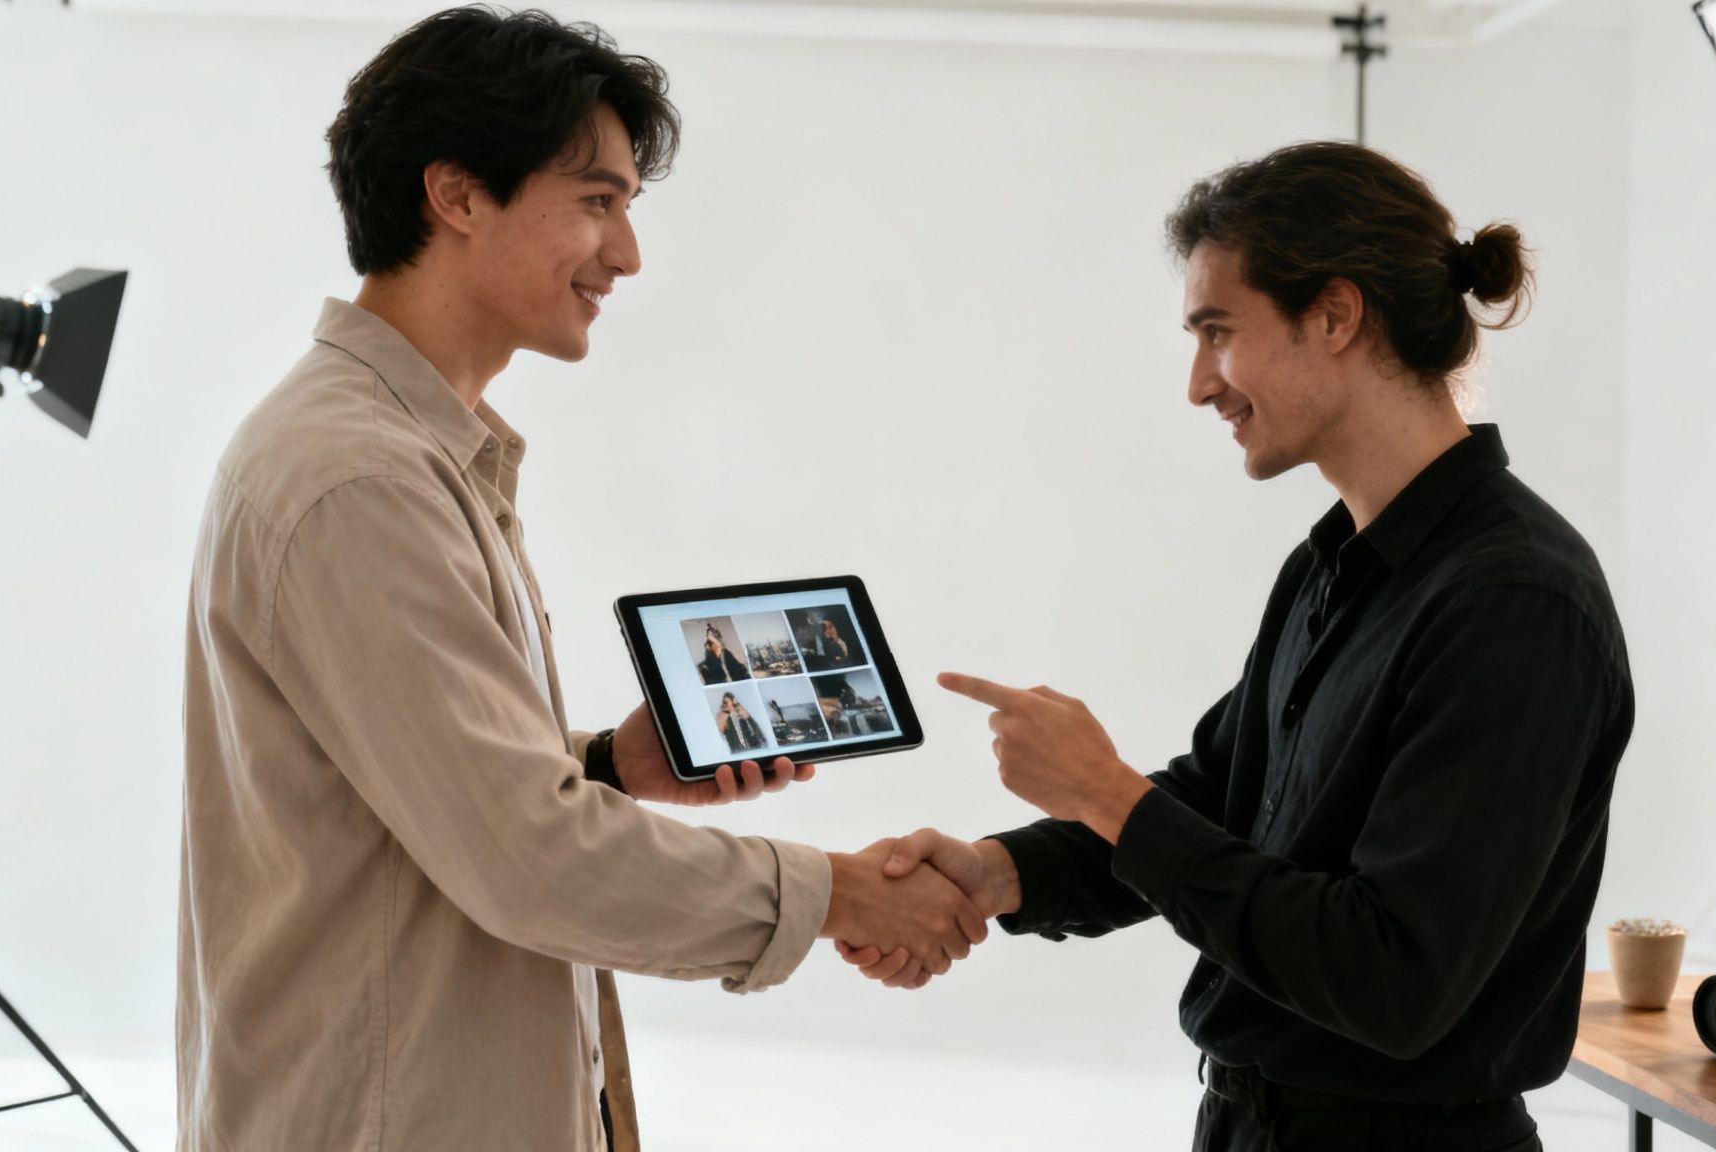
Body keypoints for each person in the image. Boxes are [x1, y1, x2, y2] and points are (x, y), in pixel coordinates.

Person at [179, 11, 985, 1152]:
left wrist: (605, 766)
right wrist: (840, 892)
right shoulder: (359, 477)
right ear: (457, 194)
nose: (627, 255)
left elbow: (413, 788)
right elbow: (527, 857)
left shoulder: (404, 452)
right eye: (598, 201)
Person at [842, 142, 1634, 1152]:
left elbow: (1392, 979)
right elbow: (1221, 802)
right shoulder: (1328, 566)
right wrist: (1000, 873)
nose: (1196, 385)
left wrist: (1104, 792)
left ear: (1334, 315)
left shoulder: (1514, 604)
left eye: (1217, 331)